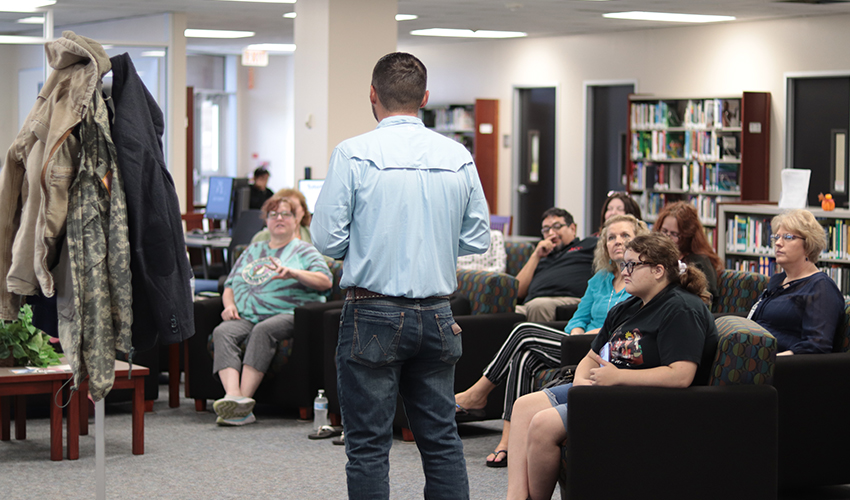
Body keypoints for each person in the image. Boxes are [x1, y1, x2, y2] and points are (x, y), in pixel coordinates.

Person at [310, 52, 490, 500]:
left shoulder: (353, 153)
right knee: (441, 441)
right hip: (437, 315)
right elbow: (478, 239)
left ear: (372, 94)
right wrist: (433, 243)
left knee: (369, 446)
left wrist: (373, 244)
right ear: (425, 99)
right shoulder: (457, 155)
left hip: (372, 312)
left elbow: (327, 242)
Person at [506, 233, 718, 499]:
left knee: (543, 425)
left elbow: (681, 375)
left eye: (632, 265)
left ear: (658, 270)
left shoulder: (681, 309)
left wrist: (618, 378)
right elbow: (591, 357)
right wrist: (582, 384)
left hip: (646, 400)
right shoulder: (628, 306)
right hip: (605, 389)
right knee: (523, 407)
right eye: (623, 264)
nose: (624, 271)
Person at [455, 215, 648, 467]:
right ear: (604, 245)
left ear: (639, 242)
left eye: (625, 236)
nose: (617, 241)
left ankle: (478, 394)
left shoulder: (639, 282)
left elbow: (626, 328)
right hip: (577, 346)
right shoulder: (599, 279)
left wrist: (590, 337)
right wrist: (577, 336)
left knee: (523, 331)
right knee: (523, 357)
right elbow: (577, 318)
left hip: (605, 352)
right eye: (611, 237)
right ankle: (507, 440)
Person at [211, 195, 332, 426]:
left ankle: (243, 403)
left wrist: (294, 272)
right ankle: (233, 397)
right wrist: (229, 306)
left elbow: (325, 281)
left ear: (297, 219)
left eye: (286, 214)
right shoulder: (252, 250)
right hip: (246, 315)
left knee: (264, 330)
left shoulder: (304, 250)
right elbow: (229, 285)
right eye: (273, 214)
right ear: (265, 220)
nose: (279, 218)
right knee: (223, 331)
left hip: (287, 313)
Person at [747, 209, 844, 355]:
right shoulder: (778, 280)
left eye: (787, 237)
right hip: (752, 355)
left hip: (783, 368)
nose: (778, 243)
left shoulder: (821, 288)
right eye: (776, 237)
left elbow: (816, 346)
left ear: (808, 244)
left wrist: (768, 362)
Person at [515, 208, 597, 322]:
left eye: (557, 227)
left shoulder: (588, 245)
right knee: (505, 312)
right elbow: (517, 291)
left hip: (567, 299)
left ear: (573, 228)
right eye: (546, 229)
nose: (551, 233)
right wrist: (536, 256)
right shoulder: (541, 255)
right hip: (532, 303)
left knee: (538, 306)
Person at [653, 201, 722, 304]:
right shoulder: (654, 256)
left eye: (674, 234)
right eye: (664, 231)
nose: (666, 237)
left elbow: (705, 300)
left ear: (687, 236)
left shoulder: (700, 261)